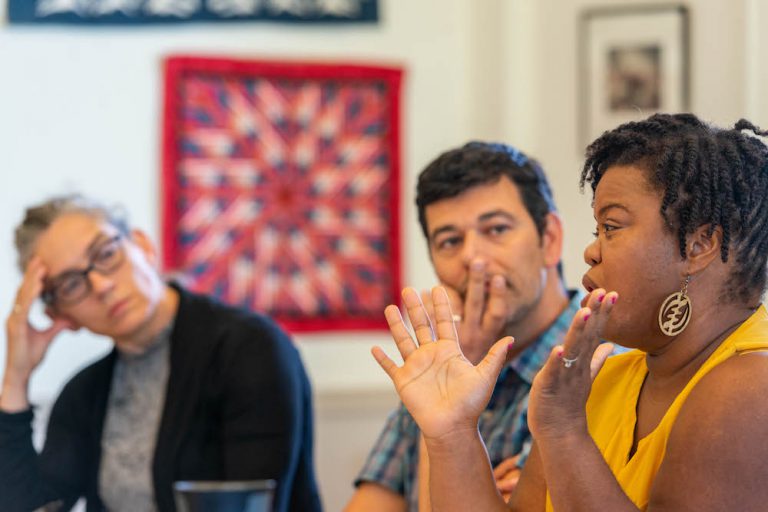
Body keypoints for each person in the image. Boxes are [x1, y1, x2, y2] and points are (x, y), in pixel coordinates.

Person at [372, 113, 768, 511]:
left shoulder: (751, 384)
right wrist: (453, 432)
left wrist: (563, 430)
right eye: (598, 231)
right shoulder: (598, 381)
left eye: (611, 226)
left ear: (699, 245)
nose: (591, 251)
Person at [0, 195, 322, 512]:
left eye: (106, 253)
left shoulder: (248, 349)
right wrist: (15, 380)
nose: (101, 285)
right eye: (71, 285)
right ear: (60, 316)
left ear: (142, 245)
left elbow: (252, 505)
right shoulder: (84, 395)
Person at [346, 142, 584, 511]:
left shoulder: (589, 367)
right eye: (450, 241)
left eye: (496, 229)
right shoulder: (437, 361)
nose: (472, 256)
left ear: (549, 239)